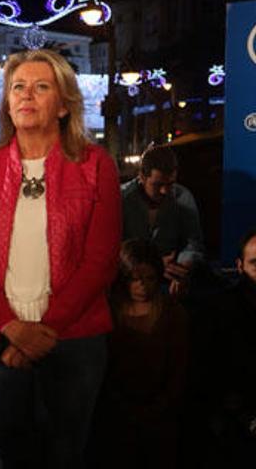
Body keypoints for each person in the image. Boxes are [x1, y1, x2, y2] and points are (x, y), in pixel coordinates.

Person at [0, 49, 121, 468]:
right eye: (18, 87)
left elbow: (100, 262)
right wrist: (13, 329)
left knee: (65, 455)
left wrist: (41, 333)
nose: (27, 95)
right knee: (5, 456)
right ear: (8, 103)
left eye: (41, 86)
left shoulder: (96, 165)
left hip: (75, 339)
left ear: (64, 105)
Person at [92, 239, 188, 469]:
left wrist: (161, 405)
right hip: (115, 415)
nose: (142, 286)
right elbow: (100, 367)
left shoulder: (172, 313)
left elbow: (180, 367)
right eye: (134, 279)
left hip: (161, 416)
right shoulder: (107, 313)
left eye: (149, 278)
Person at [190, 228, 256, 467]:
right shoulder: (218, 311)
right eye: (255, 264)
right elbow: (206, 377)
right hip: (233, 427)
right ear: (239, 266)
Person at [121, 145, 205, 296]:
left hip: (170, 281)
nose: (165, 191)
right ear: (142, 177)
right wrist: (153, 265)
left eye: (170, 184)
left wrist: (182, 268)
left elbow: (193, 243)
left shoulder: (182, 197)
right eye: (158, 185)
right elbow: (112, 247)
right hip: (130, 281)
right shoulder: (122, 199)